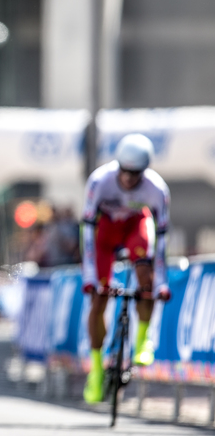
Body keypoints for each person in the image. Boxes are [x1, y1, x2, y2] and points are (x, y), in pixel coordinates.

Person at [81, 133, 171, 404]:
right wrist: (90, 276)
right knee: (100, 296)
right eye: (125, 172)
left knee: (146, 278)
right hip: (106, 231)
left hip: (135, 226)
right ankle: (96, 368)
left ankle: (144, 339)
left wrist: (161, 283)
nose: (130, 179)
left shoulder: (157, 189)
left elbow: (162, 239)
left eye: (137, 174)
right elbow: (87, 232)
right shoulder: (99, 181)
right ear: (117, 165)